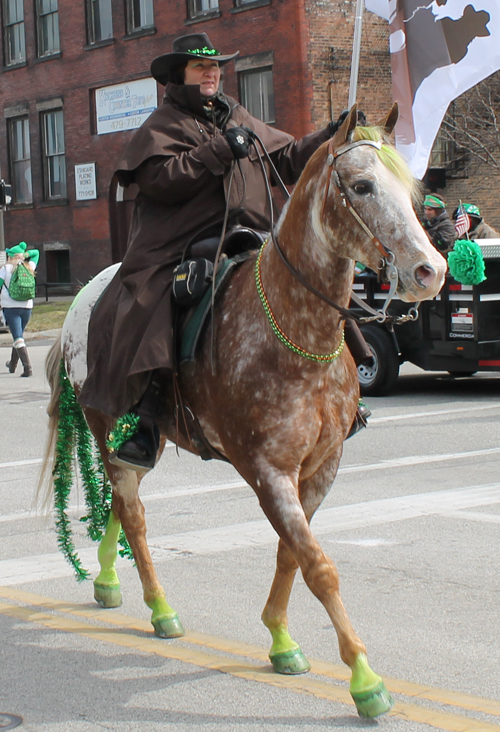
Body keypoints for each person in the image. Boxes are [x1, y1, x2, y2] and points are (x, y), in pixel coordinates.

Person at [78, 32, 371, 471]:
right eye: (202, 67)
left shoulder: (234, 113)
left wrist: (329, 135)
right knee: (157, 300)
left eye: (215, 66)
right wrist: (218, 150)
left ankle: (344, 396)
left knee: (306, 284)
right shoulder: (163, 125)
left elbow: (286, 158)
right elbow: (162, 179)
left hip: (247, 232)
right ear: (181, 75)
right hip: (181, 241)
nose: (213, 73)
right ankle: (148, 414)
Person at [0, 242, 39, 377]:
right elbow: (37, 253)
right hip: (27, 307)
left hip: (11, 308)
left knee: (18, 337)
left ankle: (27, 368)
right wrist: (25, 256)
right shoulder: (29, 267)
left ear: (10, 256)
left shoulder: (5, 269)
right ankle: (12, 364)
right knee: (19, 335)